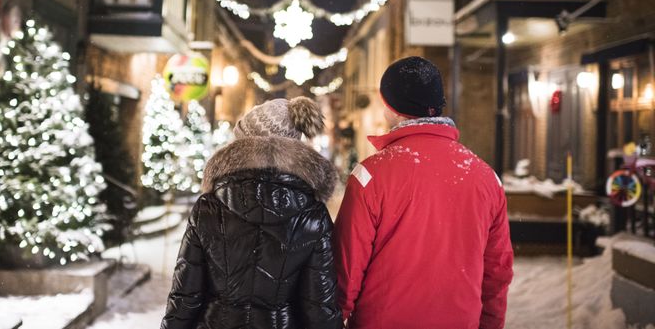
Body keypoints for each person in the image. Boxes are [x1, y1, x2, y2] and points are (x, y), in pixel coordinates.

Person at [334, 57, 513, 329]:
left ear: (390, 107)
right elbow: (497, 272)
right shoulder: (485, 177)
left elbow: (345, 272)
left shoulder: (371, 176)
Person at [161, 97, 342, 329]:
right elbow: (319, 305)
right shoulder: (312, 215)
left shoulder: (208, 207)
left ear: (241, 145)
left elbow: (186, 294)